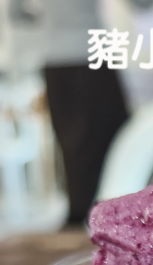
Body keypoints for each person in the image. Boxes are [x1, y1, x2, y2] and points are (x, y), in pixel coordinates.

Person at [41, 0, 129, 227]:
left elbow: (18, 12)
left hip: (53, 59)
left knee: (73, 149)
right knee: (116, 140)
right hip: (90, 53)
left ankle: (80, 218)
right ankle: (104, 220)